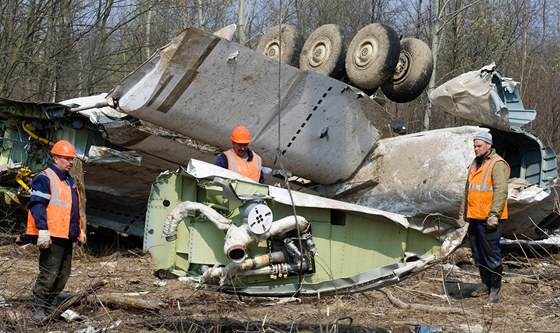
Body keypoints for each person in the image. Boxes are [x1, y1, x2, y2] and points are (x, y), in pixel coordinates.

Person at [27, 140, 85, 320]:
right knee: (49, 274)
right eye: (66, 158)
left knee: (63, 275)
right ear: (56, 158)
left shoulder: (69, 180)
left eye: (71, 159)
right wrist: (42, 229)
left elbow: (73, 208)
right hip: (52, 235)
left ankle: (50, 308)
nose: (70, 162)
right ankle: (38, 309)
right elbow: (37, 205)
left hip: (67, 234)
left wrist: (79, 229)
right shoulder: (45, 178)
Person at [459, 131, 509, 303]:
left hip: (489, 219)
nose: (476, 149)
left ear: (489, 145)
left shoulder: (497, 164)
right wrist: (466, 213)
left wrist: (494, 215)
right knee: (478, 254)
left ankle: (495, 290)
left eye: (479, 146)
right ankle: (485, 284)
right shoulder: (475, 163)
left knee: (491, 254)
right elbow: (469, 189)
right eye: (474, 146)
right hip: (475, 217)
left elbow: (501, 191)